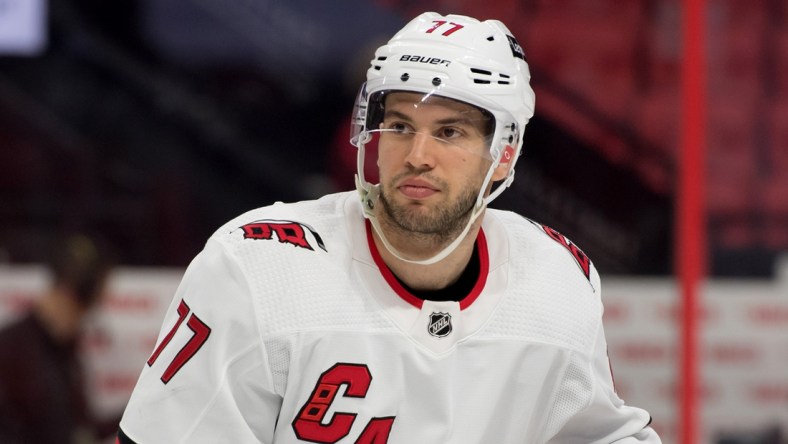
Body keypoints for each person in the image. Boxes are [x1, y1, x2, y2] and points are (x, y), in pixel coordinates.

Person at [117, 12, 661, 443]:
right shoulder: (256, 267)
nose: (416, 155)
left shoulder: (556, 279)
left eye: (449, 132)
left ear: (504, 154)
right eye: (400, 126)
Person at [0, 233, 117, 444]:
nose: (83, 321)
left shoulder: (66, 349)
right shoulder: (11, 348)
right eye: (84, 310)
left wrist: (137, 410)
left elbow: (82, 427)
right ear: (67, 293)